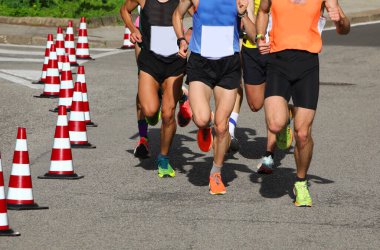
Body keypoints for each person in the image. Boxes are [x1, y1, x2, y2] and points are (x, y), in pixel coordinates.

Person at [256, 0, 350, 206]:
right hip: (277, 62)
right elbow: (263, 11)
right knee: (275, 124)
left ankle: (300, 182)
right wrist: (259, 36)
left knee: (303, 133)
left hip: (307, 65)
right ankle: (285, 118)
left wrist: (340, 19)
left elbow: (344, 29)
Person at [173, 0, 255, 195]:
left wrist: (243, 15)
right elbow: (177, 15)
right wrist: (181, 40)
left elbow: (253, 35)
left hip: (229, 65)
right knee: (202, 119)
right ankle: (202, 121)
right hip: (201, 63)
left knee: (221, 126)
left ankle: (216, 173)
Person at [121, 0, 189, 178]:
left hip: (175, 62)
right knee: (150, 111)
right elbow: (124, 10)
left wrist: (187, 36)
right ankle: (177, 93)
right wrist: (132, 29)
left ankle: (164, 158)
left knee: (168, 113)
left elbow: (200, 15)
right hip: (150, 61)